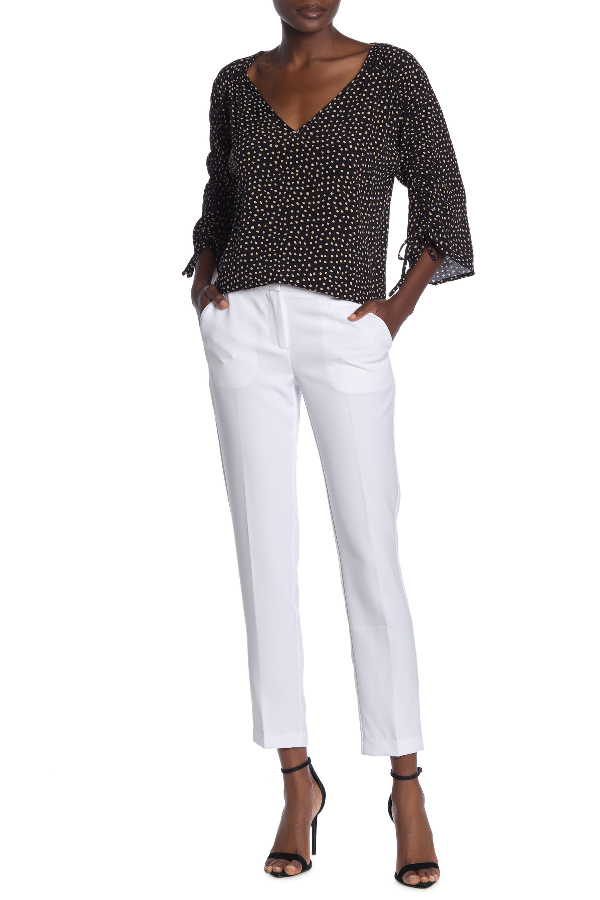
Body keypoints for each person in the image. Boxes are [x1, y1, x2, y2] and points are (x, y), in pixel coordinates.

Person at [181, 0, 474, 887]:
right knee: (264, 555)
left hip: (346, 325)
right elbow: (220, 195)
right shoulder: (235, 84)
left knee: (371, 552)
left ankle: (407, 786)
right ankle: (295, 779)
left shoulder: (392, 73)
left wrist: (395, 312)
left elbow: (442, 197)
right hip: (244, 325)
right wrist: (204, 285)